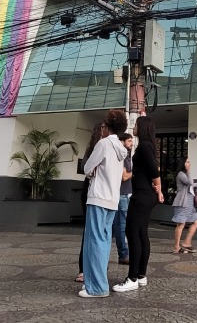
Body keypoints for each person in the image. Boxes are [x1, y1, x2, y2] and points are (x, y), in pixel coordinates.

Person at [79, 109, 128, 298]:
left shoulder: (103, 144)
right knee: (104, 241)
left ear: (107, 126)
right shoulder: (121, 149)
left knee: (94, 242)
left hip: (98, 197)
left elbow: (87, 168)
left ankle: (97, 287)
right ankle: (94, 284)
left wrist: (92, 172)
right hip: (112, 200)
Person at [113, 116, 164, 293]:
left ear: (142, 128)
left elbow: (153, 169)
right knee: (141, 234)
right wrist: (157, 189)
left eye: (136, 125)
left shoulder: (144, 146)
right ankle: (141, 276)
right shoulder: (148, 146)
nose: (133, 127)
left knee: (132, 233)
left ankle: (132, 278)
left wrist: (159, 189)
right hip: (145, 195)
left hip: (142, 196)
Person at [75, 122, 107, 284]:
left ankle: (98, 267)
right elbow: (86, 167)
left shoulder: (110, 145)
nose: (106, 131)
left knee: (102, 232)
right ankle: (83, 268)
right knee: (89, 230)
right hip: (91, 191)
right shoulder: (93, 147)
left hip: (105, 192)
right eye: (103, 128)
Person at [171, 157, 197, 253]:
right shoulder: (181, 174)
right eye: (187, 162)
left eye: (189, 162)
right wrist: (189, 172)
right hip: (182, 203)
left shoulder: (185, 174)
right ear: (183, 163)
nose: (189, 164)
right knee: (181, 224)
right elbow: (190, 182)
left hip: (189, 203)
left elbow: (190, 184)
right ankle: (176, 247)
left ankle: (187, 243)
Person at [113, 132, 133, 265]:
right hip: (122, 194)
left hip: (126, 193)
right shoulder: (122, 156)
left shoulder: (127, 156)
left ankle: (124, 253)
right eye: (129, 141)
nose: (132, 144)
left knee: (122, 225)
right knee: (121, 225)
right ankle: (123, 254)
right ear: (122, 141)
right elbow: (124, 177)